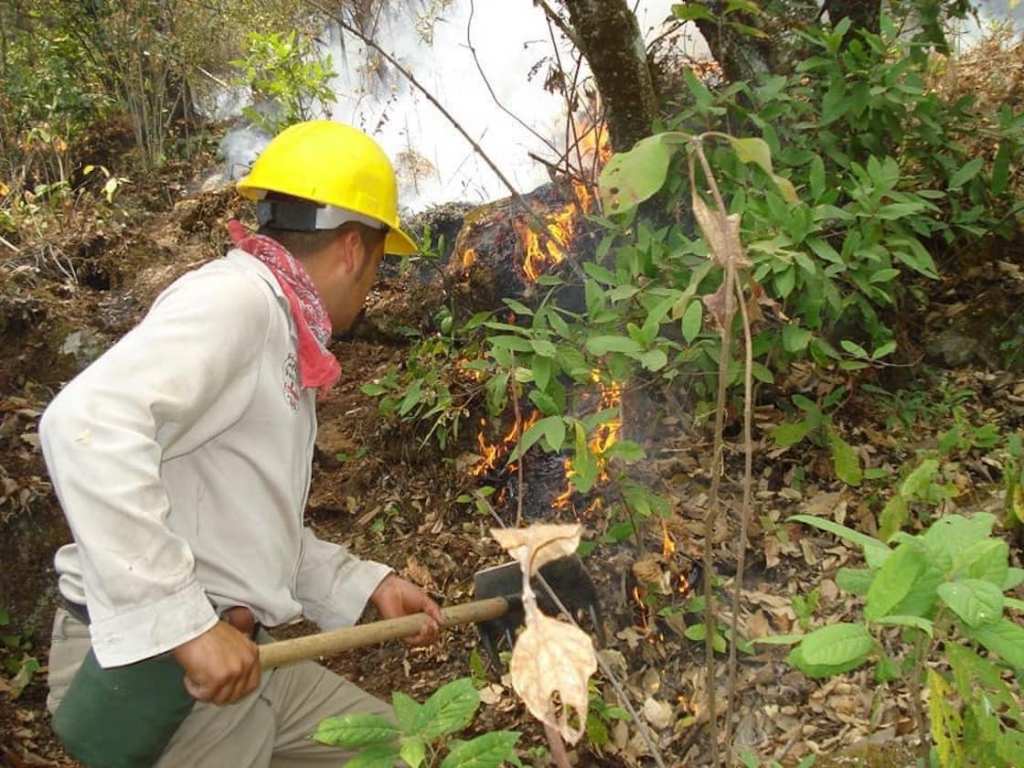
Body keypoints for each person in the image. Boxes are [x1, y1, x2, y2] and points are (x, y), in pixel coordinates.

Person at [39, 120, 443, 767]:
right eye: (378, 264)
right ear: (350, 249)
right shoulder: (238, 302)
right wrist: (186, 626)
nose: (373, 286)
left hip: (238, 653)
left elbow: (243, 517)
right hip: (158, 671)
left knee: (401, 750)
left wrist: (364, 586)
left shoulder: (281, 324)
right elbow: (85, 424)